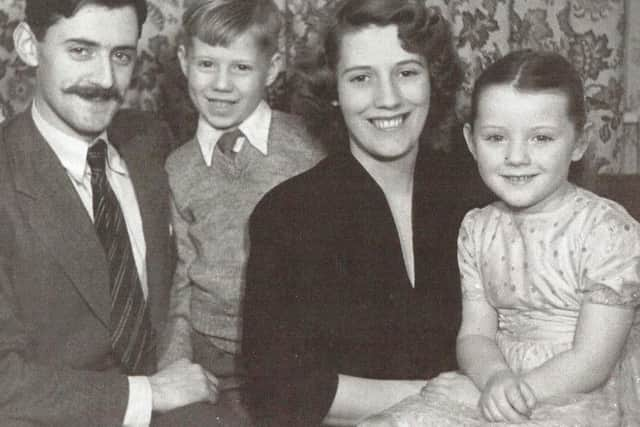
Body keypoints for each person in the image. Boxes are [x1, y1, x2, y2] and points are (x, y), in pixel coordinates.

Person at [241, 0, 490, 425]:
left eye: (407, 72)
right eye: (361, 78)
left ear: (434, 80)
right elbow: (276, 386)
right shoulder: (287, 215)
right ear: (333, 92)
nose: (388, 98)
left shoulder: (477, 188)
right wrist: (434, 397)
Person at [359, 50, 640, 427]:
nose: (516, 157)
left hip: (574, 395)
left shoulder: (607, 230)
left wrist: (501, 395)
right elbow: (475, 335)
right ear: (471, 142)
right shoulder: (478, 228)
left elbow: (592, 363)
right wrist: (493, 378)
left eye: (541, 138)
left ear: (579, 142)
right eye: (495, 138)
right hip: (497, 382)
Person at [0, 1, 219, 426]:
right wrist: (147, 393)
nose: (105, 80)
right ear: (29, 45)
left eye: (121, 55)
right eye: (80, 51)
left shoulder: (149, 139)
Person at [157, 0, 325, 424]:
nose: (221, 85)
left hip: (294, 354)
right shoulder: (177, 168)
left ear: (272, 69)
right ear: (184, 61)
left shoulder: (309, 148)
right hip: (209, 358)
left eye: (241, 68)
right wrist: (174, 364)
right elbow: (182, 277)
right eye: (207, 64)